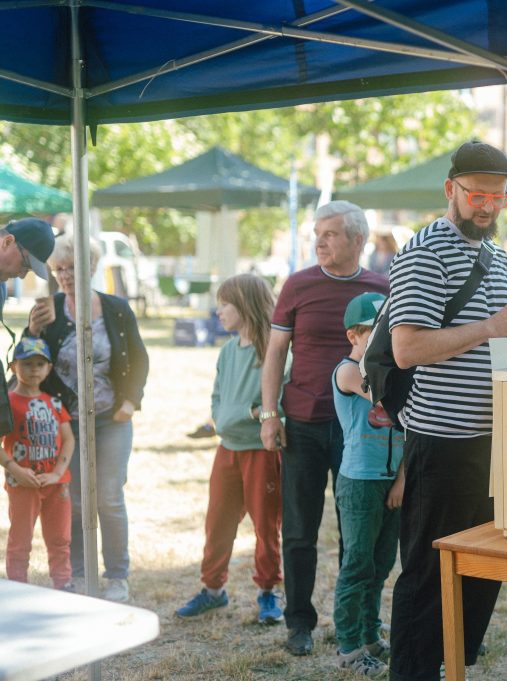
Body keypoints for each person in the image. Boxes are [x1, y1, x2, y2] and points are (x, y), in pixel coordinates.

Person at [387, 140, 507, 681]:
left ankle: (451, 667)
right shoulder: (425, 251)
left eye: (498, 196)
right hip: (443, 442)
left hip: (494, 442)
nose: (488, 206)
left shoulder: (498, 255)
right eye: (477, 194)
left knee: (481, 570)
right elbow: (407, 348)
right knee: (430, 574)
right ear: (450, 189)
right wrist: (493, 327)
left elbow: (503, 342)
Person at [260, 200, 388, 656]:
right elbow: (275, 353)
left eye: (331, 233)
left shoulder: (382, 287)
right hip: (305, 423)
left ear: (357, 240)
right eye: (317, 232)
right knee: (299, 529)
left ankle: (354, 622)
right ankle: (299, 622)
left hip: (361, 430)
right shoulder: (298, 285)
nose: (320, 241)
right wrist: (269, 414)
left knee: (358, 534)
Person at [27, 234, 148, 602]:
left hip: (111, 417)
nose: (64, 276)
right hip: (67, 422)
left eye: (71, 268)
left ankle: (117, 576)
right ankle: (79, 574)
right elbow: (28, 364)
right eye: (58, 270)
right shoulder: (50, 310)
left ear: (91, 268)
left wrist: (131, 401)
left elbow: (138, 359)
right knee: (75, 500)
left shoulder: (116, 308)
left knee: (109, 497)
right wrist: (32, 332)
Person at [175, 274, 284, 624]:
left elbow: (276, 408)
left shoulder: (275, 351)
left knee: (266, 527)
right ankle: (212, 590)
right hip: (228, 450)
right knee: (217, 522)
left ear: (246, 306)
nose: (218, 310)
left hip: (261, 452)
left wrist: (250, 415)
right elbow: (219, 405)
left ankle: (268, 592)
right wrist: (246, 413)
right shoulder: (226, 351)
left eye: (225, 303)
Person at [332, 292, 406, 677]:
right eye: (373, 334)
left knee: (380, 566)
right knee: (357, 565)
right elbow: (385, 398)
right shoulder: (347, 371)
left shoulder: (390, 370)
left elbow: (409, 433)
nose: (382, 342)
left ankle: (370, 634)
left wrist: (401, 481)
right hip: (359, 481)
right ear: (354, 336)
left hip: (390, 481)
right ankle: (348, 647)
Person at [1, 337, 75, 589]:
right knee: (20, 540)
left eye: (40, 364)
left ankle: (63, 585)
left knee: (60, 539)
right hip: (23, 483)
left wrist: (58, 473)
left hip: (56, 484)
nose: (34, 369)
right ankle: (17, 588)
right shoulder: (7, 403)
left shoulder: (54, 402)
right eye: (27, 363)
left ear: (49, 368)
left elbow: (68, 440)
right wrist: (15, 469)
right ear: (13, 367)